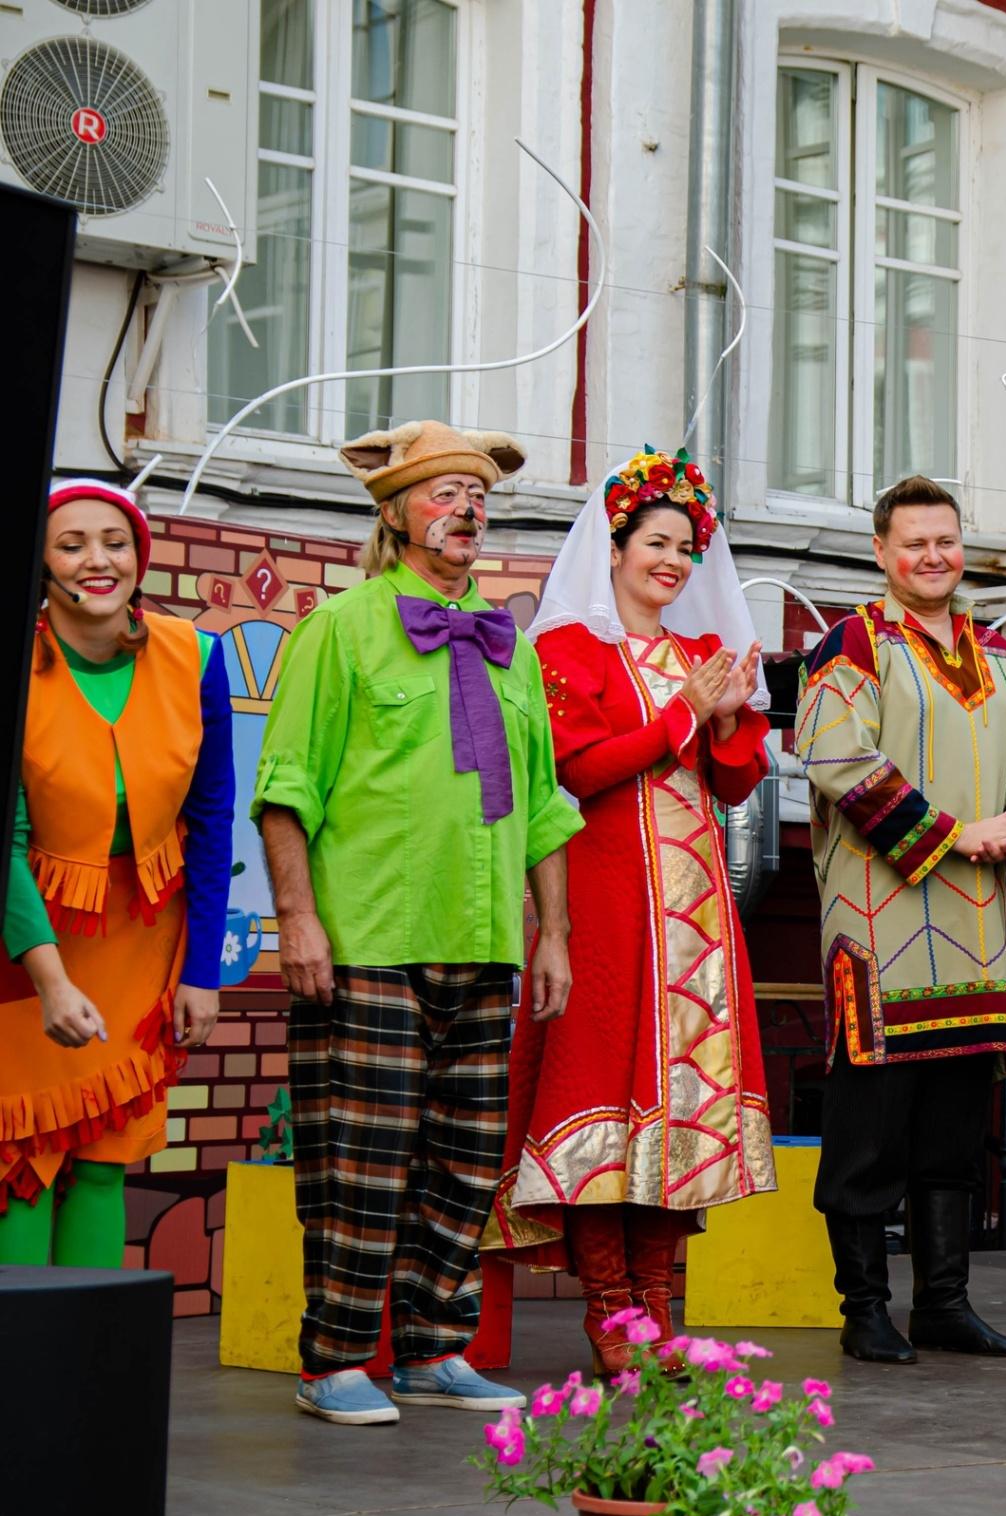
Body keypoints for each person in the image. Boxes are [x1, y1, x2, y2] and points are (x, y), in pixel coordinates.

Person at [255, 421, 584, 1425]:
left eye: (477, 495)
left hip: (481, 942)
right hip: (370, 938)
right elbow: (286, 786)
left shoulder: (510, 646)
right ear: (395, 514)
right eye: (444, 492)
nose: (466, 509)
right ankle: (333, 1362)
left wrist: (554, 933)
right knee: (358, 1161)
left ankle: (434, 1349)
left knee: (464, 1162)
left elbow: (543, 804)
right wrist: (298, 919)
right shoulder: (340, 628)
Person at [484, 446, 777, 1373]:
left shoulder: (697, 653)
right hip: (607, 908)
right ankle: (610, 1308)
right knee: (599, 1097)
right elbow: (576, 772)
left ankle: (656, 1304)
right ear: (613, 549)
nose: (674, 562)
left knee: (684, 1102)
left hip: (695, 917)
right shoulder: (568, 649)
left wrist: (725, 716)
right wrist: (683, 714)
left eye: (687, 548)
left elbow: (735, 781)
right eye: (656, 543)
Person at [796, 475, 1006, 1364]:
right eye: (914, 542)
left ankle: (944, 1302)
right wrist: (958, 833)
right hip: (878, 929)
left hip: (977, 935)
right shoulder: (852, 644)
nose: (933, 556)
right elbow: (837, 758)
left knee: (953, 1132)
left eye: (945, 540)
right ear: (881, 552)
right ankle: (864, 1309)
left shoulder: (1004, 655)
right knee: (868, 1134)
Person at [1, 481, 233, 1267]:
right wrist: (51, 983)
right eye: (71, 545)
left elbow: (212, 821)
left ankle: (87, 1345)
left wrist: (201, 974)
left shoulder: (196, 657)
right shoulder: (18, 662)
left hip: (142, 933)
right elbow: (6, 844)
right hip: (27, 932)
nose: (97, 560)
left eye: (115, 541)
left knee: (104, 1161)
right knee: (23, 1161)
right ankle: (19, 1345)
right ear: (41, 564)